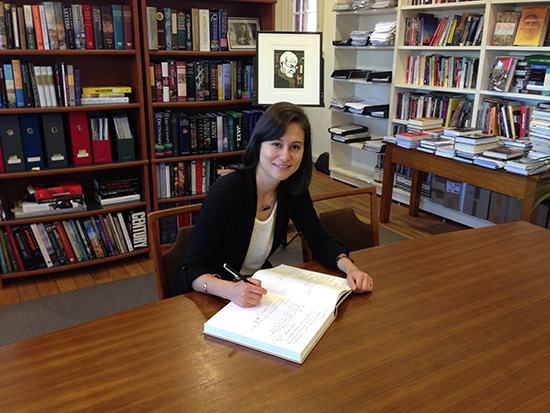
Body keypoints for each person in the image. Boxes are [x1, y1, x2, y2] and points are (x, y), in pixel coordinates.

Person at [178, 102, 373, 307]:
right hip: (213, 296)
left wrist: (350, 268)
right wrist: (230, 290)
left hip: (257, 289)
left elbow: (319, 241)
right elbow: (192, 269)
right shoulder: (226, 193)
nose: (285, 156)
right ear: (259, 144)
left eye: (295, 147)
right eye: (276, 144)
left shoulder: (292, 189)